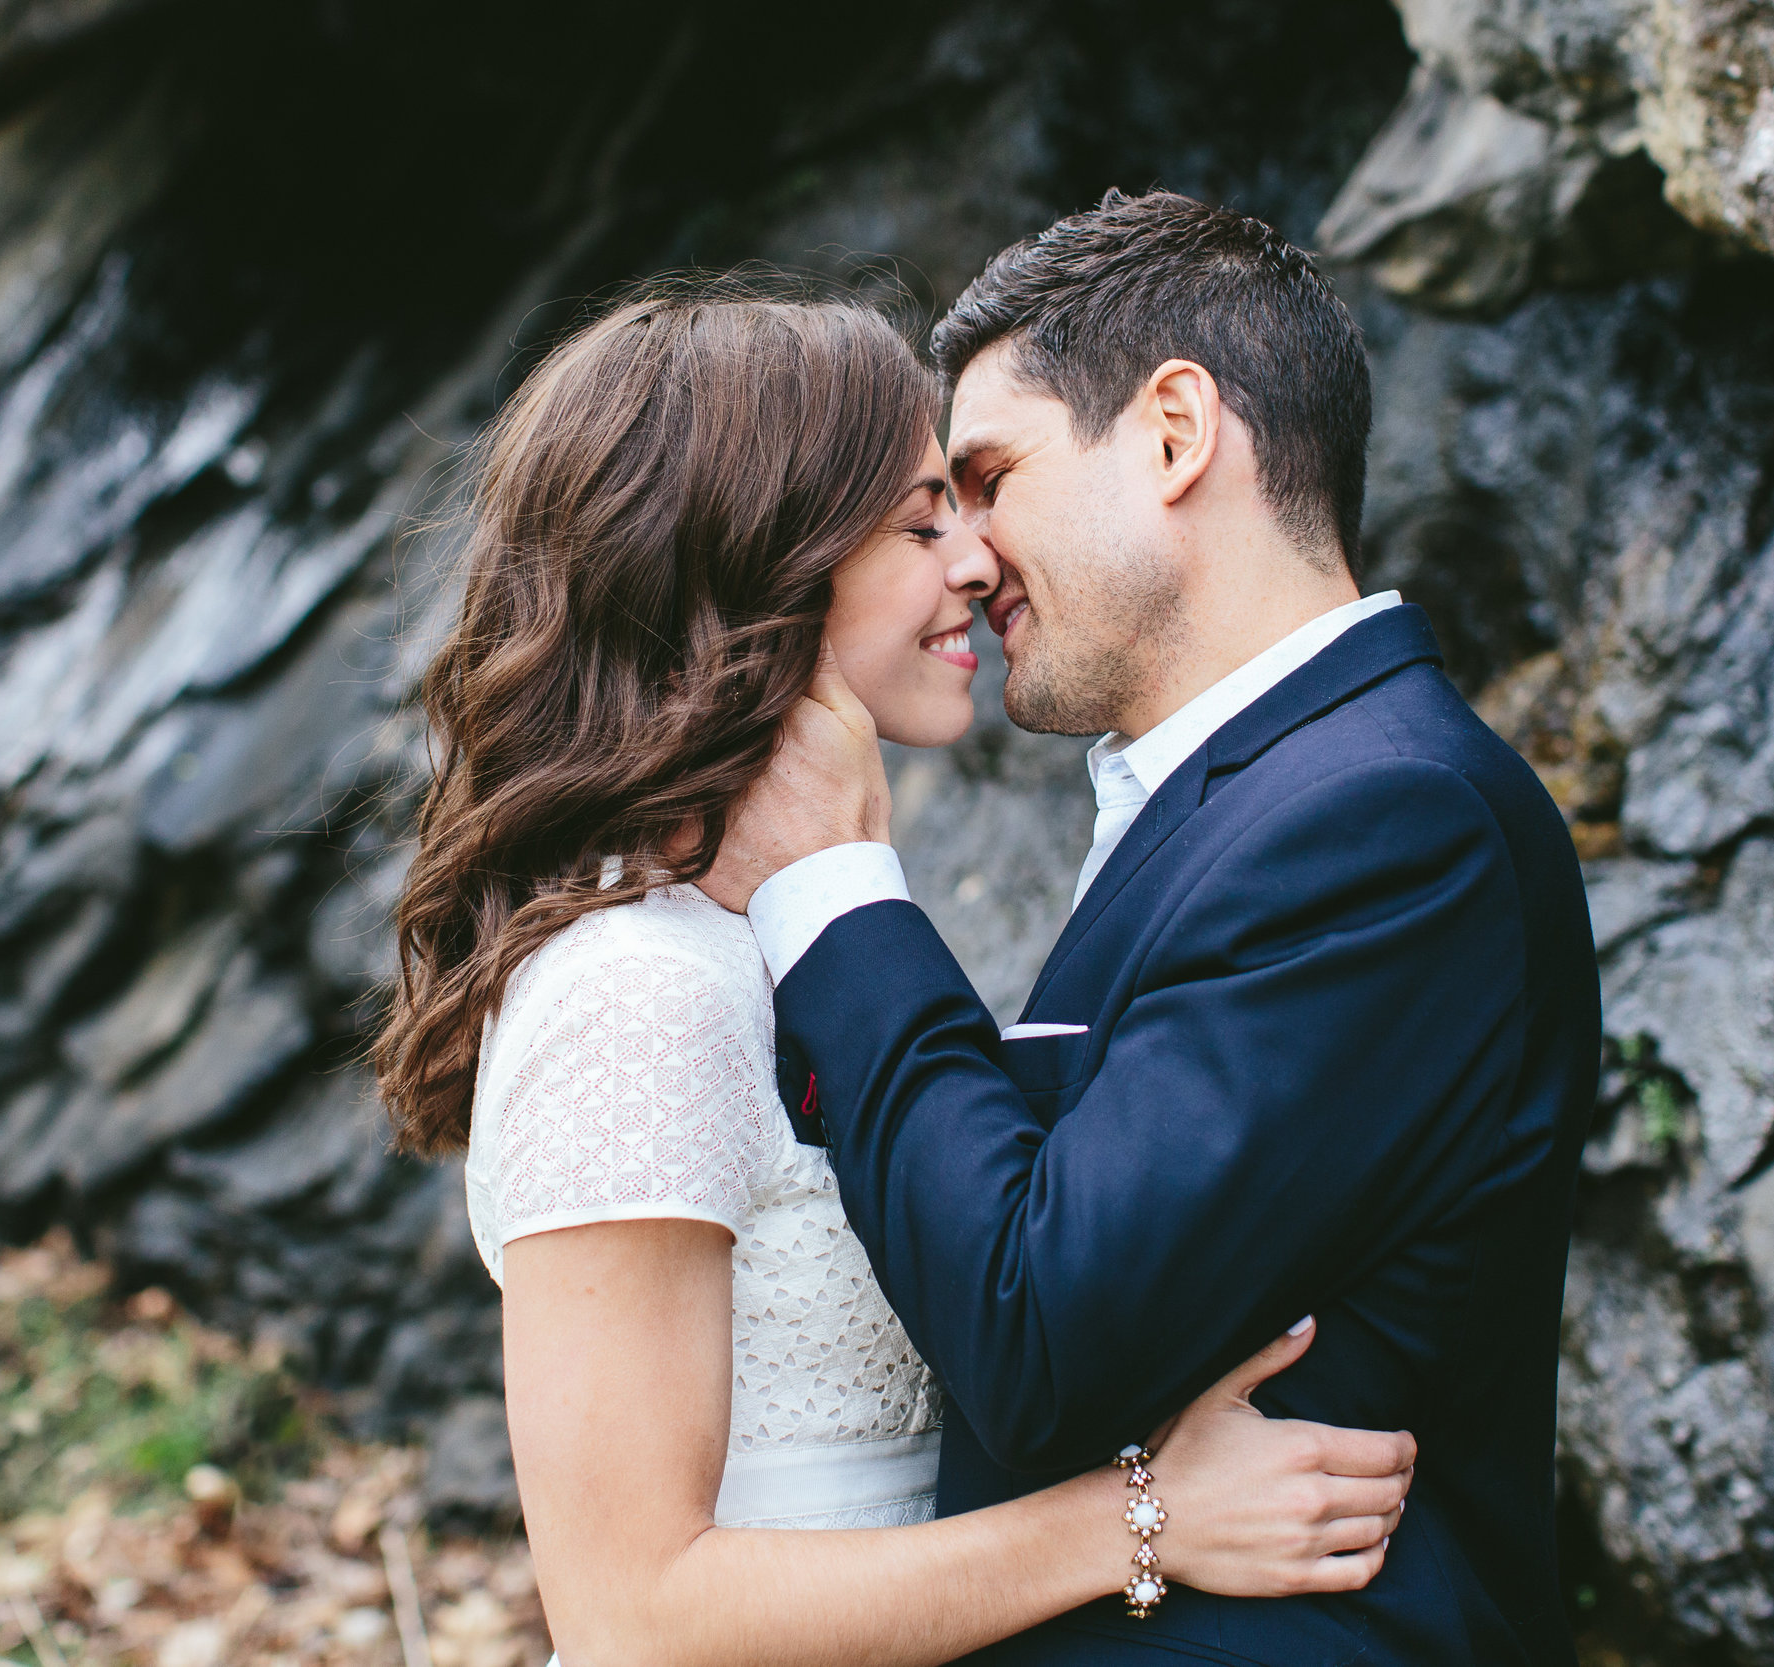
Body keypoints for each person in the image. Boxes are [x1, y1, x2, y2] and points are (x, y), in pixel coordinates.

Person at [370, 285, 1420, 1667]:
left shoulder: (764, 953)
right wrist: (1135, 1521)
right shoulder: (639, 987)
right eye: (924, 523)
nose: (977, 566)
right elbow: (635, 1617)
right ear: (754, 565)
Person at [705, 192, 1602, 1665]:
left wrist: (834, 886)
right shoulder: (1249, 802)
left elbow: (1037, 1330)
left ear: (1176, 432)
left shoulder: (1388, 822)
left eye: (991, 479)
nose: (971, 558)